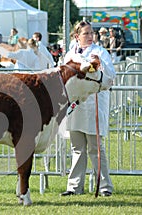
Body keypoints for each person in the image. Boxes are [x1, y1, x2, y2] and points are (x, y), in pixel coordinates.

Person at [60, 21, 116, 197]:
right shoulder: (69, 54)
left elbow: (110, 75)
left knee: (95, 147)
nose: (91, 36)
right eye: (86, 33)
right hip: (76, 106)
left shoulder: (100, 52)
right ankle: (74, 186)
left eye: (92, 33)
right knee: (77, 148)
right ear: (77, 36)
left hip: (93, 104)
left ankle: (104, 186)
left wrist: (99, 65)